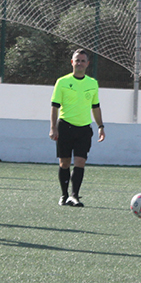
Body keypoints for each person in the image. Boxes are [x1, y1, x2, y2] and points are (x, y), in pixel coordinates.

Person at [50, 49, 105, 207]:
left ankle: (75, 196)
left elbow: (95, 107)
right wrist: (53, 128)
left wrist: (101, 126)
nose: (80, 63)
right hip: (65, 127)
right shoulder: (62, 82)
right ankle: (64, 195)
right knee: (64, 163)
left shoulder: (92, 83)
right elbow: (54, 107)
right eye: (77, 60)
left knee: (80, 161)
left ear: (87, 64)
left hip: (84, 129)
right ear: (72, 62)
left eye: (83, 61)